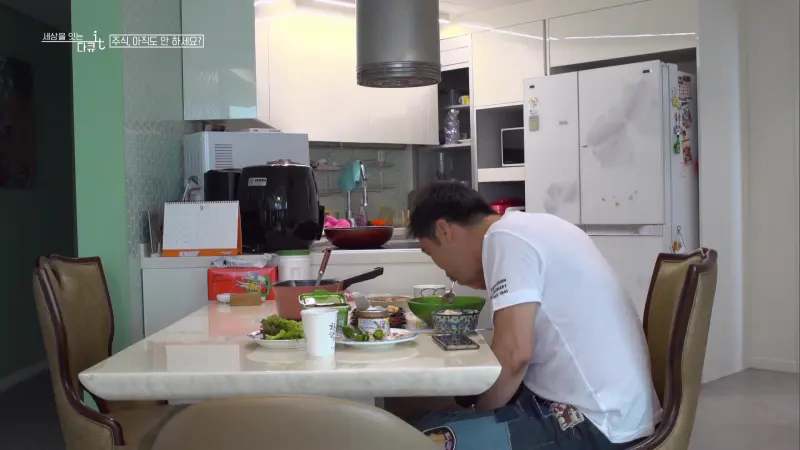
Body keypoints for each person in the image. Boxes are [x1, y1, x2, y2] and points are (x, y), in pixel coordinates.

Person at [408, 182, 660, 450]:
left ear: (444, 230)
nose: (445, 271)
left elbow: (515, 355)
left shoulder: (504, 238)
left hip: (598, 426)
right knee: (432, 420)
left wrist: (480, 414)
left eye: (430, 252)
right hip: (614, 413)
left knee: (418, 440)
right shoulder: (529, 228)